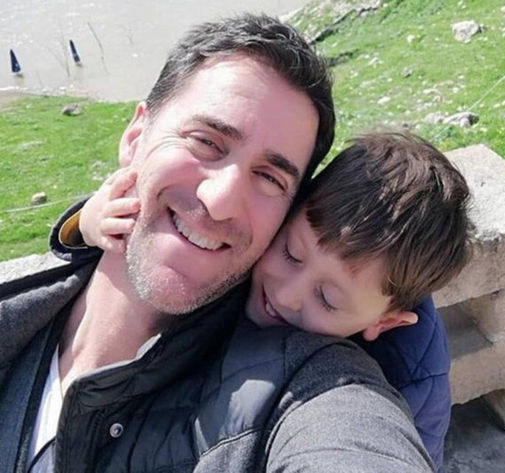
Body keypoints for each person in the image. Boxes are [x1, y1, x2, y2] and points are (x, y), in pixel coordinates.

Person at [0, 15, 436, 473]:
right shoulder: (21, 318)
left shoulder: (307, 387)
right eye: (206, 142)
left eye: (269, 177)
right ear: (135, 137)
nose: (220, 200)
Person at [64, 132, 469, 471]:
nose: (285, 294)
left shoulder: (406, 386)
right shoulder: (245, 257)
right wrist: (87, 222)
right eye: (291, 253)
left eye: (327, 298)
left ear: (386, 321)